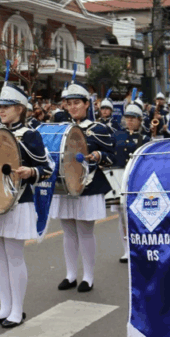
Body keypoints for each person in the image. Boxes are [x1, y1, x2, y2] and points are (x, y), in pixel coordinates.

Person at [0, 80, 53, 329]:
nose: (1, 110)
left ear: (20, 108)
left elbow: (47, 169)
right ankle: (4, 307)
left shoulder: (30, 134)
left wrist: (30, 171)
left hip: (18, 200)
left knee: (13, 256)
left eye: (7, 106)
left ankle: (17, 310)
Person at [51, 79, 115, 293]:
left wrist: (98, 155)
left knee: (85, 231)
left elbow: (111, 156)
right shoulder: (61, 128)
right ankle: (70, 274)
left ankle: (88, 276)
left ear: (87, 104)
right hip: (65, 185)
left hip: (88, 186)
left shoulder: (97, 129)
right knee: (67, 230)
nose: (72, 107)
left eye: (77, 103)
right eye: (68, 103)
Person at [110, 101, 149, 263]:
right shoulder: (117, 135)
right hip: (120, 179)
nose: (130, 121)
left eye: (133, 118)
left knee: (139, 216)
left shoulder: (145, 138)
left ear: (140, 120)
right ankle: (127, 249)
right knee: (122, 217)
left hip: (137, 179)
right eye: (128, 117)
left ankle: (141, 247)